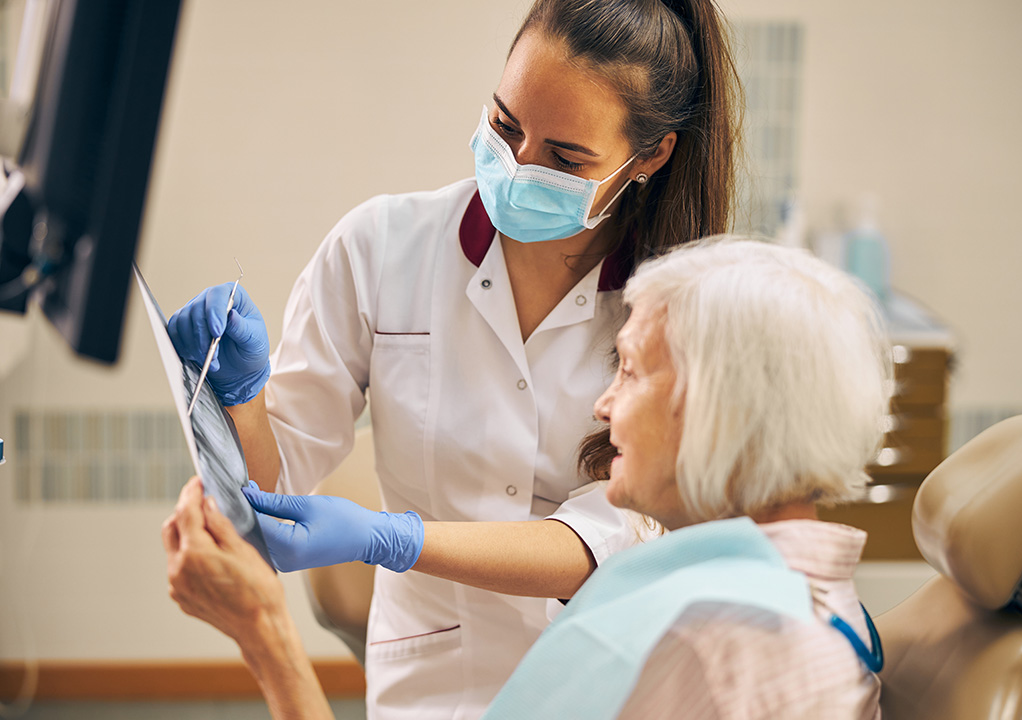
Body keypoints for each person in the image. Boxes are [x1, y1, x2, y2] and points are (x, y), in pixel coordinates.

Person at [167, 1, 741, 717]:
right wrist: (242, 395)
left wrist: (397, 539)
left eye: (565, 159)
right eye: (504, 126)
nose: (518, 167)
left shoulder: (679, 312)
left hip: (610, 679)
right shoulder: (381, 249)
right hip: (433, 680)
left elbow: (616, 534)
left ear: (651, 155)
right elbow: (269, 482)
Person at [164, 237, 892, 719]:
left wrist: (265, 637)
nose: (604, 407)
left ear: (721, 412)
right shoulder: (785, 603)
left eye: (630, 371)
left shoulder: (717, 651)